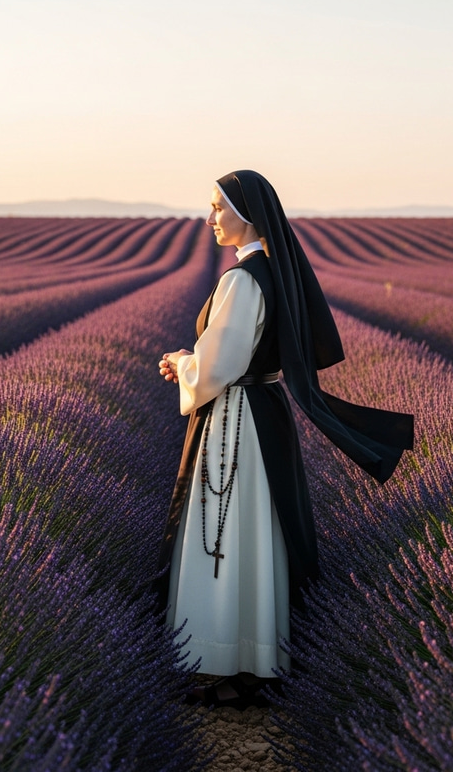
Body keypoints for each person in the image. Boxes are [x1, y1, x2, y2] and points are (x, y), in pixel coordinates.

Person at [157, 170, 413, 709]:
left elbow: (217, 368)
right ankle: (255, 662)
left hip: (235, 418)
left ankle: (229, 662)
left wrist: (183, 362)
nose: (210, 219)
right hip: (263, 413)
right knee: (258, 533)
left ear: (246, 214)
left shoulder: (241, 280)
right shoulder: (275, 273)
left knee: (225, 534)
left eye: (218, 209)